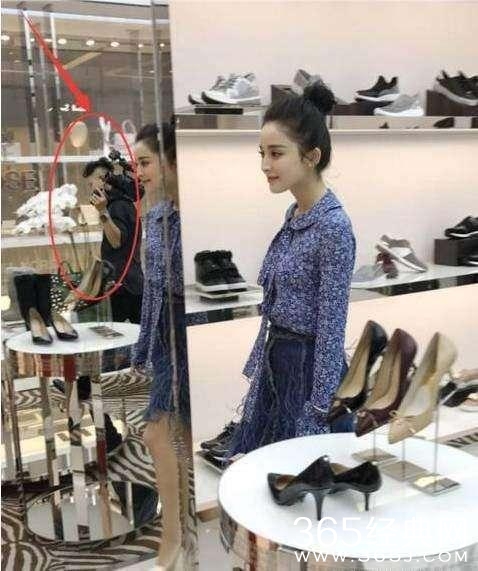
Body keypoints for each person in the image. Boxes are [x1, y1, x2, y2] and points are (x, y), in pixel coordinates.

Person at [228, 81, 356, 456]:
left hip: (307, 372)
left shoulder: (333, 227)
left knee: (297, 472)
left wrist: (318, 410)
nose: (265, 165)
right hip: (279, 363)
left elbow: (331, 329)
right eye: (262, 153)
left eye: (276, 153)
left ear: (311, 156)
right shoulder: (296, 213)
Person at [131, 122, 191, 570]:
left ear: (171, 161)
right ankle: (176, 532)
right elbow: (152, 291)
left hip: (191, 333)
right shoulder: (153, 216)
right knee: (166, 435)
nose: (139, 172)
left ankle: (175, 533)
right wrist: (143, 347)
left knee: (168, 434)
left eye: (146, 162)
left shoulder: (196, 215)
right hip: (167, 336)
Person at [85, 156, 143, 324]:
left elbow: (116, 241)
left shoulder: (117, 206)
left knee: (122, 334)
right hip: (129, 282)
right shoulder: (122, 203)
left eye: (91, 183)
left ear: (103, 180)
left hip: (124, 286)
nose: (91, 189)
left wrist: (103, 212)